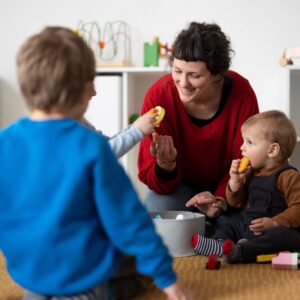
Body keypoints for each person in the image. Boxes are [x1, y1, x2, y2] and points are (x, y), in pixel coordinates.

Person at [0, 27, 192, 300]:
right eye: (92, 83)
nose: (95, 92)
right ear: (81, 92)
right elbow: (129, 220)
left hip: (30, 271)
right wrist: (168, 279)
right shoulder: (91, 148)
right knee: (133, 267)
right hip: (82, 274)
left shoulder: (4, 142)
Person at [137, 21, 259, 218]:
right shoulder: (158, 96)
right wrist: (165, 167)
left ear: (217, 75)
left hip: (230, 187)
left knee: (258, 212)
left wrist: (220, 198)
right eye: (177, 71)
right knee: (158, 212)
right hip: (178, 189)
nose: (183, 83)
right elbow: (151, 176)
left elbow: (248, 158)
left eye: (194, 75)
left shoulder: (242, 93)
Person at [192, 110, 300, 263]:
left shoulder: (288, 176)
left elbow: (298, 207)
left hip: (269, 229)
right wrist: (235, 183)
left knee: (285, 236)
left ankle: (241, 251)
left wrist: (275, 222)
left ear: (272, 150)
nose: (242, 147)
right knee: (228, 220)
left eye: (249, 142)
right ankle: (220, 244)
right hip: (246, 224)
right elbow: (236, 203)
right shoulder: (252, 172)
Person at [83, 108, 158, 159]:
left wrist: (135, 126)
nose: (94, 93)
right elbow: (100, 153)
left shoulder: (80, 121)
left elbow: (105, 144)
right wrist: (138, 130)